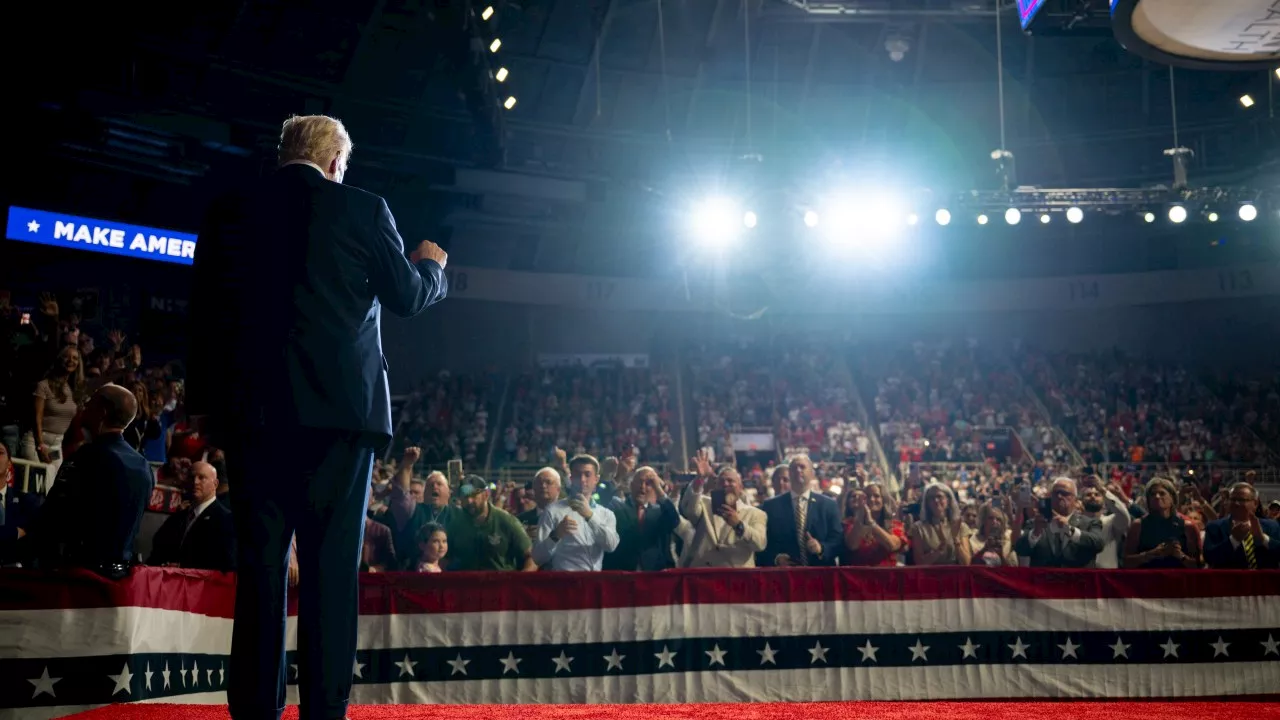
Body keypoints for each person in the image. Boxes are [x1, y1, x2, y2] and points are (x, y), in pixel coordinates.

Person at [187, 114, 448, 720]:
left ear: (286, 155)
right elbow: (407, 298)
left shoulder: (230, 210)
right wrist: (431, 266)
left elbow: (203, 317)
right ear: (334, 161)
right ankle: (324, 711)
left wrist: (210, 413)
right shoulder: (362, 208)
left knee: (260, 565)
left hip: (252, 419)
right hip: (340, 420)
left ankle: (254, 710)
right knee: (331, 570)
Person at [28, 384, 154, 578]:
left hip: (80, 576)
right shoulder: (144, 465)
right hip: (120, 578)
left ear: (102, 412)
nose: (84, 408)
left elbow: (56, 514)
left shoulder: (87, 458)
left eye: (90, 404)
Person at [148, 461, 236, 571]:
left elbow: (225, 564)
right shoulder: (178, 517)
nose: (195, 482)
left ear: (215, 484)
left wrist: (184, 568)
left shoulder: (226, 520)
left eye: (202, 477)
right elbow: (157, 548)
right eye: (191, 477)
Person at [757, 455, 842, 567]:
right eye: (793, 468)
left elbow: (838, 541)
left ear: (812, 474)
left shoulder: (829, 505)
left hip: (821, 574)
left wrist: (821, 548)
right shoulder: (771, 506)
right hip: (785, 577)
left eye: (802, 467)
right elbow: (762, 543)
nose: (798, 470)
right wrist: (776, 559)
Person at [1204, 482, 1280, 569]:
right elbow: (1209, 558)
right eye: (1232, 499)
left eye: (1241, 500)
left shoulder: (1272, 525)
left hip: (1264, 581)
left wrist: (1263, 538)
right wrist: (1233, 540)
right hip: (1230, 581)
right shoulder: (1214, 527)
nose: (1236, 503)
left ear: (1255, 503)